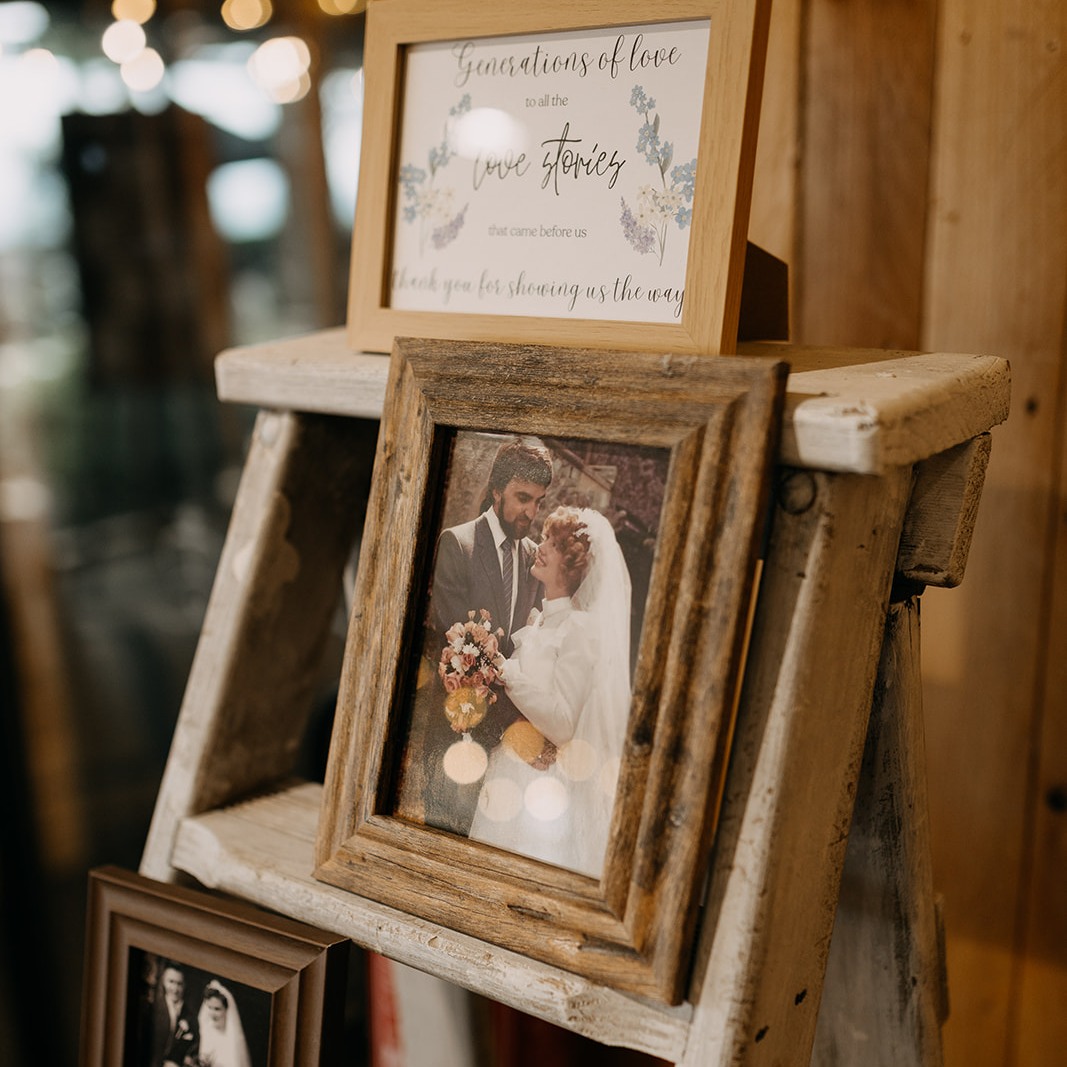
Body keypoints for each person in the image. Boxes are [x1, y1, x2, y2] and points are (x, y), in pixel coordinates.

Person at [468, 506, 632, 878]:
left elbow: (562, 725)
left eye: (551, 543)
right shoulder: (541, 619)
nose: (539, 547)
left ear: (573, 565)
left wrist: (505, 670)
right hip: (512, 770)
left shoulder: (580, 629)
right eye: (543, 537)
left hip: (537, 789)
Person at [413, 439, 554, 835]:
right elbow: (465, 649)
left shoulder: (532, 557)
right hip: (458, 723)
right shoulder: (457, 544)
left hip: (505, 737)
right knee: (444, 830)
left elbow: (529, 645)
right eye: (522, 498)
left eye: (538, 501)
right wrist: (516, 726)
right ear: (496, 490)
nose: (531, 511)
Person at [146, 961, 198, 1067]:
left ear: (185, 985)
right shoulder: (154, 1008)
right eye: (171, 982)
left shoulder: (190, 1014)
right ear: (163, 982)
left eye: (179, 984)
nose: (175, 989)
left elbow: (192, 1046)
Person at [194, 980, 252, 1067]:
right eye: (209, 1007)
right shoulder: (206, 1031)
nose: (212, 1013)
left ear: (226, 1010)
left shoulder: (232, 1038)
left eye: (217, 1009)